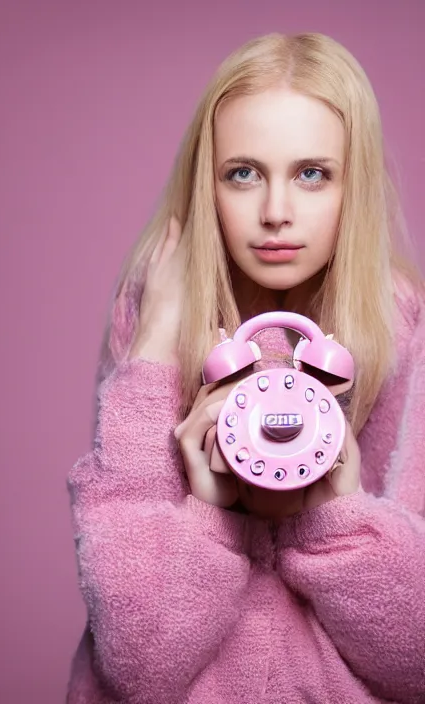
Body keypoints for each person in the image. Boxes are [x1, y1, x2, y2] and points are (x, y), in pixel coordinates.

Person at [66, 32, 425, 703]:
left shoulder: (409, 332)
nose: (276, 213)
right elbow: (137, 661)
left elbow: (416, 655)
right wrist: (153, 354)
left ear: (356, 183)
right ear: (210, 184)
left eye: (312, 173)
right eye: (243, 173)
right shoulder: (156, 318)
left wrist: (333, 508)